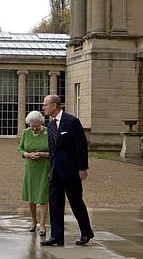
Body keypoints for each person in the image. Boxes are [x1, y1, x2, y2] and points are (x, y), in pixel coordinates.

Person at [40, 95, 94, 247]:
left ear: (54, 106)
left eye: (45, 105)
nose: (43, 107)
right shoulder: (50, 126)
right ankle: (57, 236)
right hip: (55, 172)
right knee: (55, 204)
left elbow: (81, 147)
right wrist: (50, 170)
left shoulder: (72, 122)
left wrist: (82, 168)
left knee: (76, 203)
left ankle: (86, 232)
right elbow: (52, 151)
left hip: (71, 172)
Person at [18, 110, 49, 237]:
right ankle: (33, 220)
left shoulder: (47, 132)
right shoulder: (25, 132)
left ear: (41, 123)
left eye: (37, 126)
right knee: (31, 195)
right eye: (32, 126)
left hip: (44, 167)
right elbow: (21, 148)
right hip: (30, 167)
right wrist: (27, 154)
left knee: (42, 195)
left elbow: (54, 151)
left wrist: (42, 154)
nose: (35, 128)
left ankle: (42, 224)